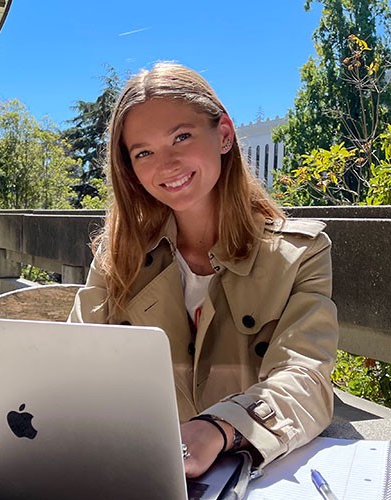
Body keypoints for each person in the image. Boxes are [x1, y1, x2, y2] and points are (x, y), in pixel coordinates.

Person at [68, 63, 339, 478]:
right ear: (131, 170)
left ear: (225, 134)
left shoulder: (300, 255)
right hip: (134, 471)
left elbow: (307, 380)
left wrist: (220, 428)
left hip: (248, 473)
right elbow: (72, 360)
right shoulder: (116, 256)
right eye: (143, 152)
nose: (167, 163)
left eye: (181, 137)